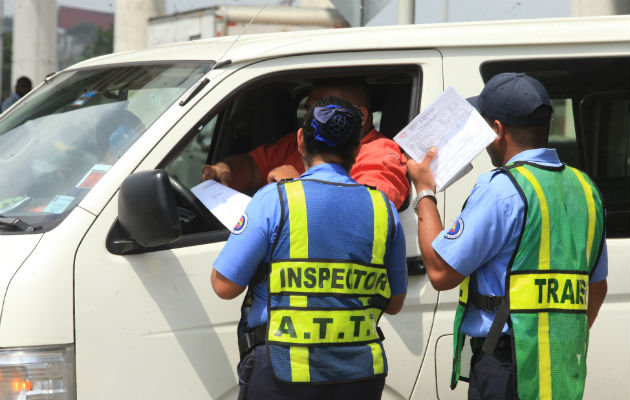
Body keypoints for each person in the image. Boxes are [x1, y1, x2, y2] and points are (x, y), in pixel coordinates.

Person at [406, 73, 607, 400]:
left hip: (507, 365)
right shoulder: (585, 189)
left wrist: (424, 190)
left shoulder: (501, 189)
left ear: (497, 130)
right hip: (561, 360)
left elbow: (441, 272)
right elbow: (596, 287)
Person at [211, 96, 408, 399]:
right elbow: (394, 303)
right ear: (357, 147)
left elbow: (223, 285)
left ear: (300, 140)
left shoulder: (275, 199)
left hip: (280, 371)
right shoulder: (383, 207)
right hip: (358, 374)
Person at [201, 77, 410, 209]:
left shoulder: (381, 154)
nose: (311, 117)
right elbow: (254, 165)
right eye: (309, 108)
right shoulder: (297, 141)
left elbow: (368, 213)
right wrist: (226, 170)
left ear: (361, 117)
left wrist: (298, 188)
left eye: (324, 110)